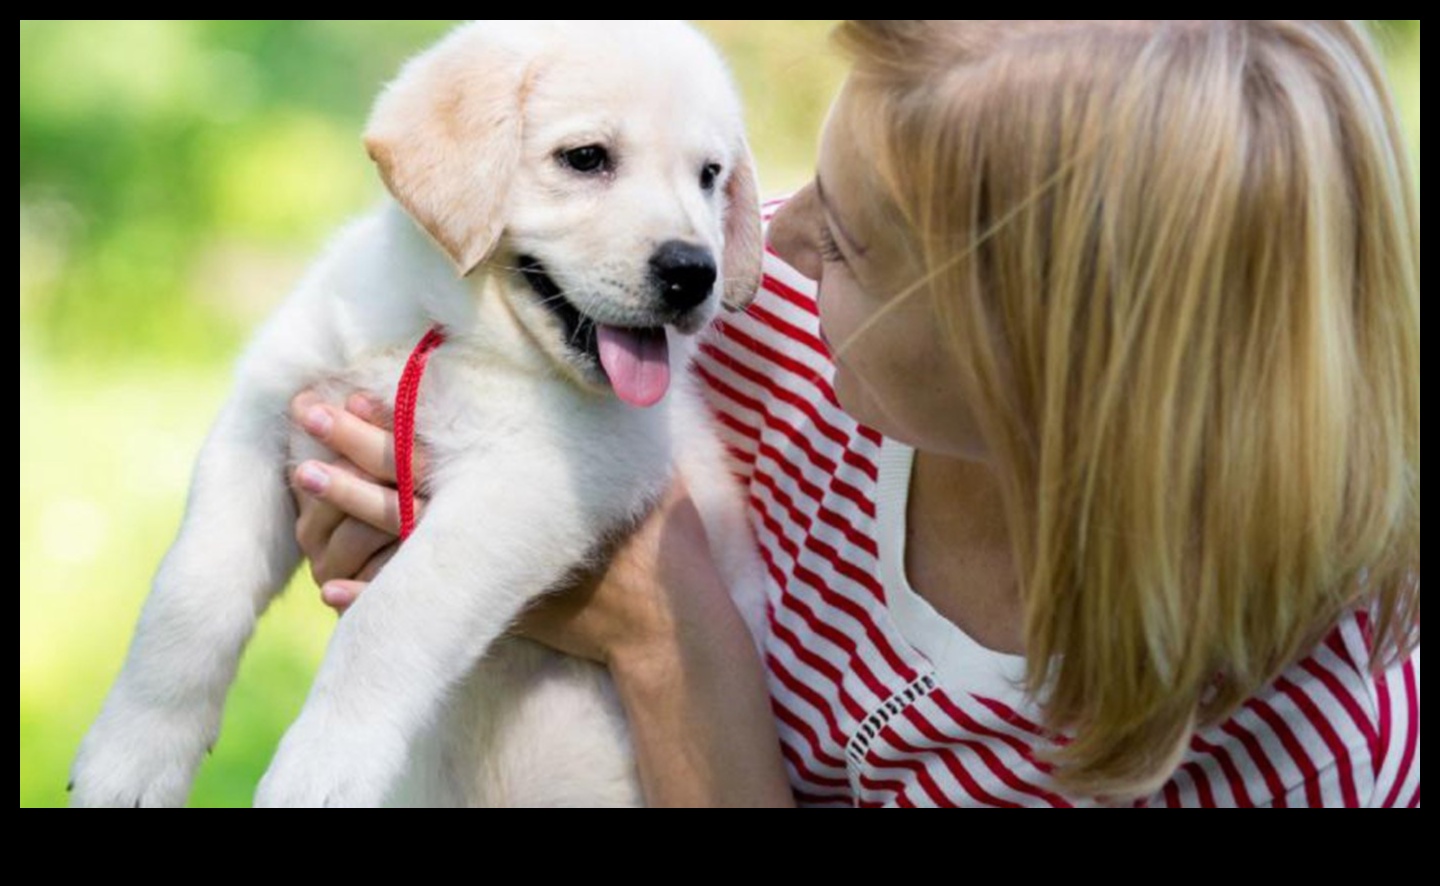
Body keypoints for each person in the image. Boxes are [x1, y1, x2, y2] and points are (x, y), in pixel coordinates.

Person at [288, 20, 1420, 806]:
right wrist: (385, 509)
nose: (773, 242)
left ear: (1040, 357)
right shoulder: (764, 335)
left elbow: (642, 611)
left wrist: (662, 635)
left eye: (857, 243)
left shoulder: (1294, 757)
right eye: (803, 181)